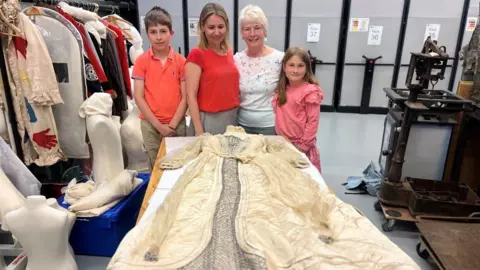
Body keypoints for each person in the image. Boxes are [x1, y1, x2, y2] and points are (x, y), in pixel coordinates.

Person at [132, 6, 187, 168]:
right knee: (156, 166)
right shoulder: (141, 61)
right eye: (153, 32)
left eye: (163, 31)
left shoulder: (181, 61)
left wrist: (172, 125)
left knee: (179, 164)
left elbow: (186, 97)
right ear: (147, 34)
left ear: (171, 33)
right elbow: (139, 97)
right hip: (150, 125)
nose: (158, 37)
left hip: (177, 123)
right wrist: (159, 126)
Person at [185, 3, 239, 136]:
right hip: (209, 120)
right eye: (211, 27)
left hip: (232, 118)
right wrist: (199, 131)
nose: (216, 32)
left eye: (220, 27)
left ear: (226, 26)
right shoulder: (197, 54)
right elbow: (190, 96)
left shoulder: (229, 52)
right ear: (202, 27)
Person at [234, 5, 283, 135]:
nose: (252, 34)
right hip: (241, 127)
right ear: (242, 34)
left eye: (257, 28)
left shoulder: (279, 59)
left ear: (265, 31)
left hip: (271, 127)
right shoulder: (236, 60)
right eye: (247, 29)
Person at [273, 47, 323, 172]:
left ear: (307, 69)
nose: (295, 70)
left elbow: (313, 122)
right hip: (283, 144)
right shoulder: (282, 90)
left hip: (301, 147)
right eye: (291, 65)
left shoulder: (310, 92)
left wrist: (303, 147)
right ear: (284, 67)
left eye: (300, 66)